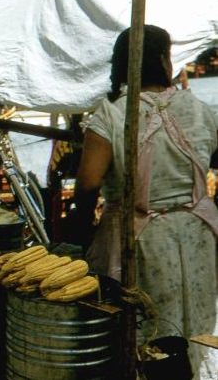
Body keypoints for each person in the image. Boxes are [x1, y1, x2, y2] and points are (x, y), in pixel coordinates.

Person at [73, 25, 218, 373]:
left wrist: (81, 232)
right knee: (193, 325)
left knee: (148, 335)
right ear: (164, 61)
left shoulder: (111, 114)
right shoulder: (199, 109)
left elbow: (88, 182)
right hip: (197, 235)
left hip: (139, 241)